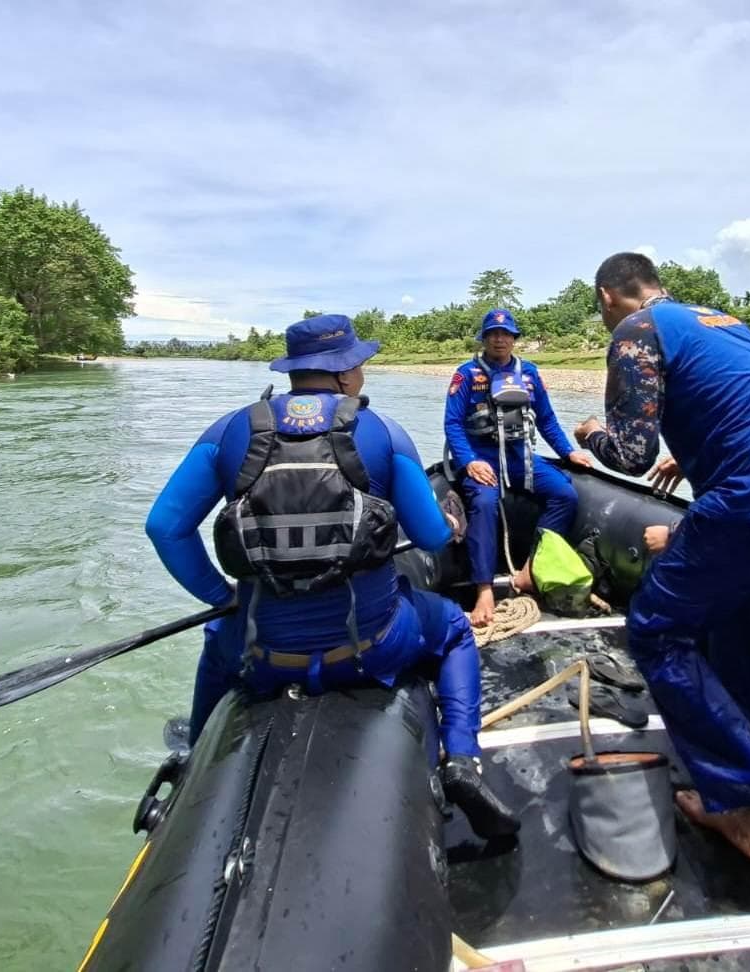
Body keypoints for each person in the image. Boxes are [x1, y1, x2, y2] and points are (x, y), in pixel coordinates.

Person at [144, 314, 519, 838]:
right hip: (372, 647)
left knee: (218, 637)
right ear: (344, 373)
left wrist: (220, 595)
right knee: (454, 628)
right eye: (360, 365)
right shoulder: (384, 432)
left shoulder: (232, 430)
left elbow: (163, 526)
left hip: (265, 656)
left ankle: (191, 762)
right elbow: (432, 538)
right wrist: (452, 520)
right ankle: (461, 759)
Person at [572, 253, 750, 860]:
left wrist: (588, 432)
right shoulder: (724, 320)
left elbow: (628, 454)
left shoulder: (634, 331)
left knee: (655, 631)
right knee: (739, 648)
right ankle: (746, 812)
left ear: (606, 297)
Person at [445, 308, 590, 626]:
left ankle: (529, 569)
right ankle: (483, 588)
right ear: (484, 339)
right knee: (483, 502)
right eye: (493, 334)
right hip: (482, 456)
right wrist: (469, 462)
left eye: (506, 334)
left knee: (564, 495)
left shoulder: (530, 373)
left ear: (514, 339)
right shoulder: (467, 375)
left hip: (520, 456)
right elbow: (453, 424)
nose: (500, 339)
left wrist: (568, 453)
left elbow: (547, 419)